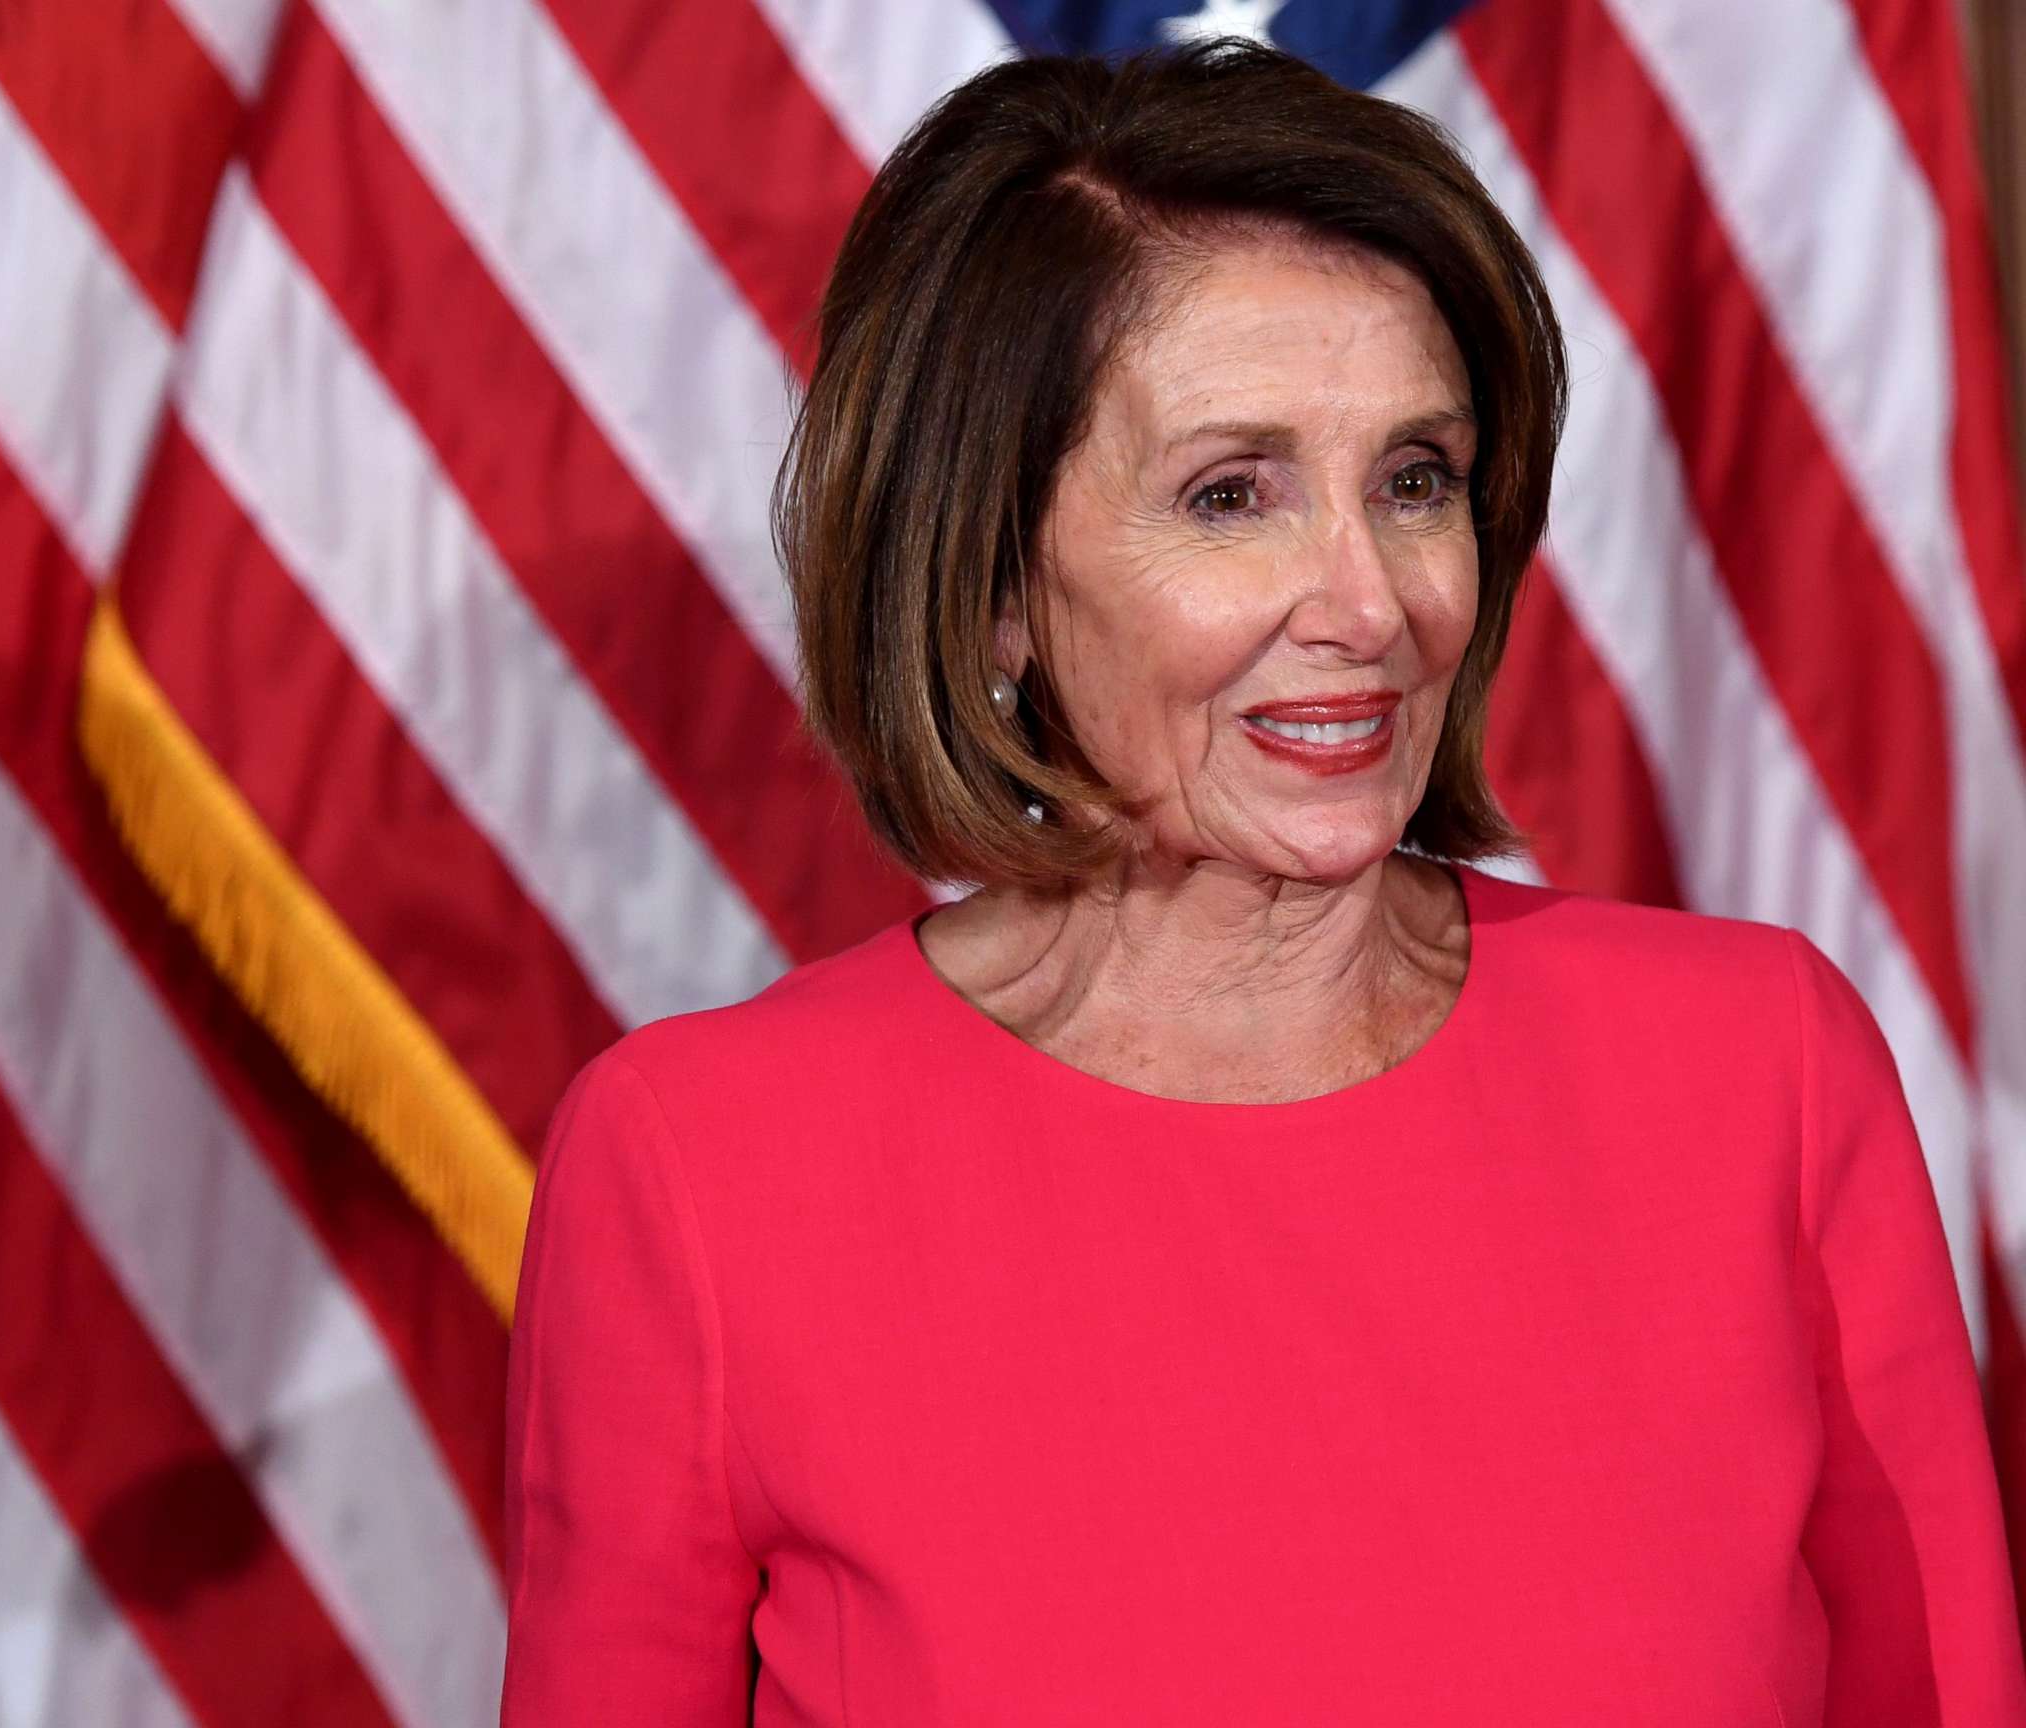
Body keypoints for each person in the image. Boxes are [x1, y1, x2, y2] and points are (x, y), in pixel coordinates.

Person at [497, 40, 2026, 1727]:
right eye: (1234, 495)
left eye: (1415, 480)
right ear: (994, 581)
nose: (1368, 601)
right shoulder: (701, 1173)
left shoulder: (1762, 1075)